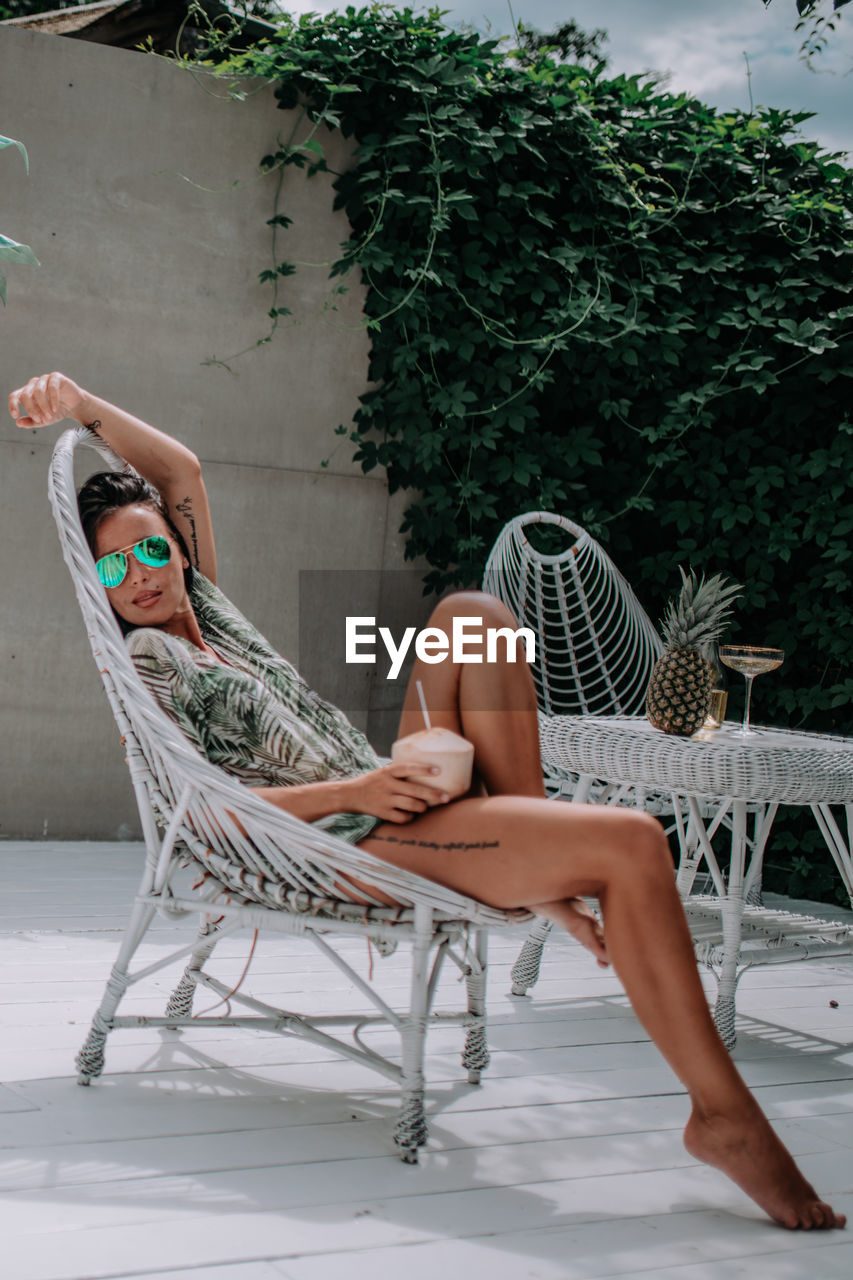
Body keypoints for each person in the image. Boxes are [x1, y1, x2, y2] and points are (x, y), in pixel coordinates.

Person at [10, 370, 846, 1232]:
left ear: (178, 554)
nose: (141, 575)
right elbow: (210, 813)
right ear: (103, 589)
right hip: (340, 836)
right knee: (632, 841)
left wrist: (77, 405)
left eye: (153, 550)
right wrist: (358, 789)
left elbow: (181, 471)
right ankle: (722, 1116)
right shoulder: (150, 664)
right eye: (114, 565)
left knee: (475, 614)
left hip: (391, 793)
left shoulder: (211, 615)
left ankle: (538, 871)